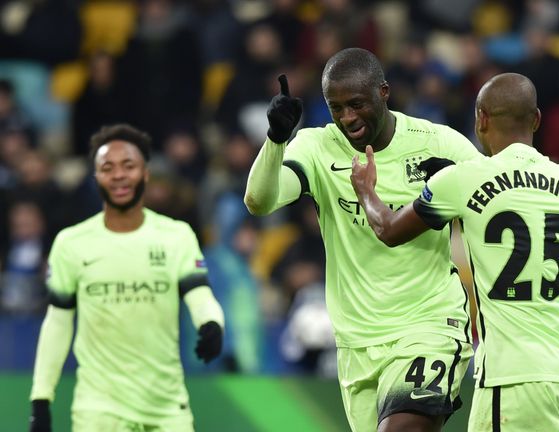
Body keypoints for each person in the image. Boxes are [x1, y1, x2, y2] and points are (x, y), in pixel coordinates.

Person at [349, 72, 559, 431]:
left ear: (481, 119)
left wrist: (366, 190)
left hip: (513, 376)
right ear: (536, 120)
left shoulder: (464, 178)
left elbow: (389, 230)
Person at [243, 47, 481, 431]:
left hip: (429, 325)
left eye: (356, 104)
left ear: (383, 92)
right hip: (356, 343)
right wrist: (275, 139)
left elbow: (495, 210)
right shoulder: (316, 147)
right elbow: (259, 201)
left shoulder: (440, 144)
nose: (347, 118)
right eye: (336, 108)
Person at [29, 124, 225, 432]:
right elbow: (58, 322)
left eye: (128, 165)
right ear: (96, 178)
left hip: (166, 408)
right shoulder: (71, 243)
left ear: (145, 173)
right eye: (107, 167)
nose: (118, 175)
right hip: (98, 410)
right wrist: (41, 398)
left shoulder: (176, 236)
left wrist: (211, 324)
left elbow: (199, 295)